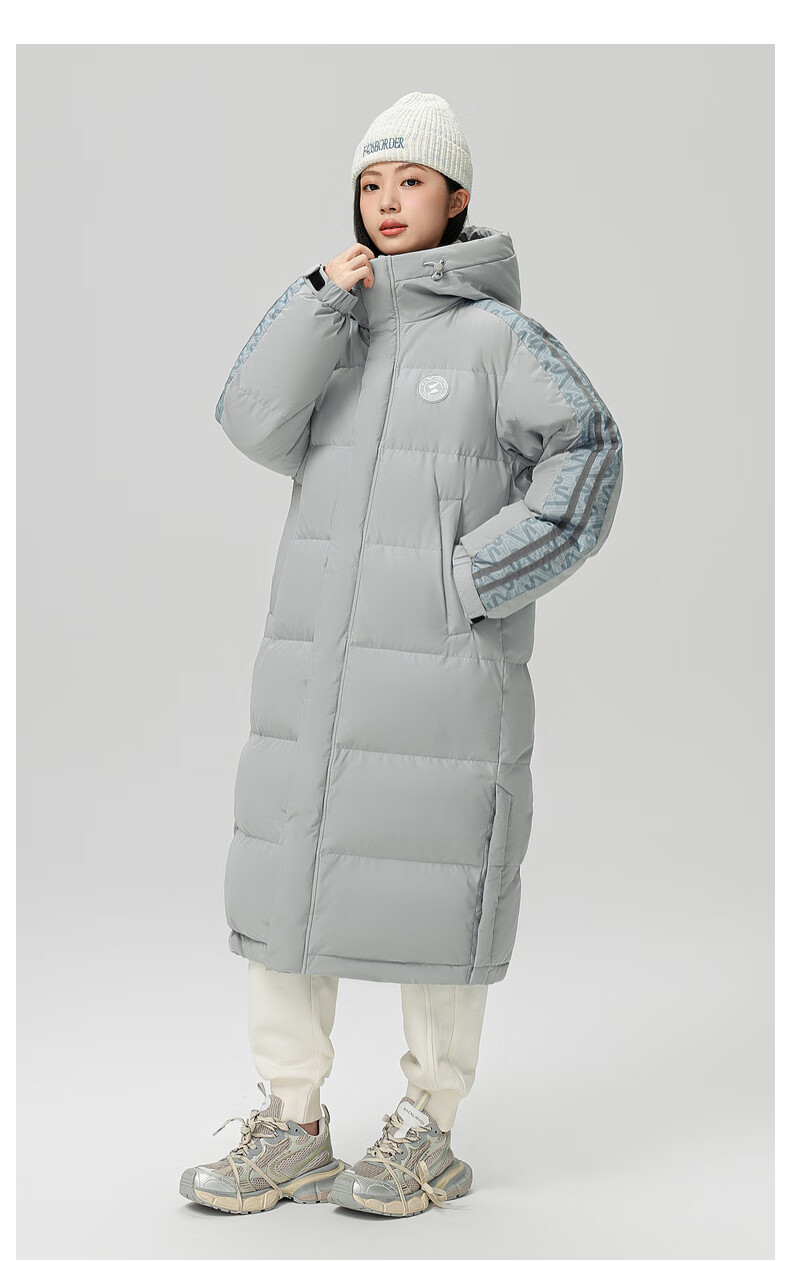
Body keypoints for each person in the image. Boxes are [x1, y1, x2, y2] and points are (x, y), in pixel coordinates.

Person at [180, 91, 624, 1219]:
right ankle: (292, 1126)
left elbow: (589, 451)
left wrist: (478, 577)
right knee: (286, 890)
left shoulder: (497, 340)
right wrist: (317, 298)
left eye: (411, 181)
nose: (387, 201)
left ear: (457, 198)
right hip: (313, 673)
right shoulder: (339, 329)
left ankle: (430, 1127)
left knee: (441, 891)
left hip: (440, 674)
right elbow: (251, 422)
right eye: (371, 184)